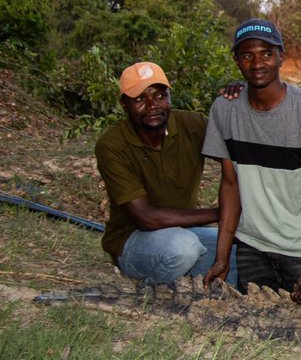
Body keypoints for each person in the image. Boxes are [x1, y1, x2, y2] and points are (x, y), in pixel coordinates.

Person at [202, 19, 301, 304]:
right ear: (237, 61)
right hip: (252, 245)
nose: (257, 63)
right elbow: (230, 187)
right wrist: (222, 258)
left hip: (300, 250)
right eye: (247, 55)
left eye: (266, 53)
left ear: (281, 57)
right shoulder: (224, 110)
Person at [95, 61, 235, 286]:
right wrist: (224, 212)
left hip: (183, 232)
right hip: (133, 240)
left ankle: (185, 280)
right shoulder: (112, 144)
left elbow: (239, 155)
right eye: (140, 99)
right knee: (183, 248)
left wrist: (243, 101)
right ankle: (149, 294)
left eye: (160, 96)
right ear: (124, 104)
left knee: (241, 250)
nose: (152, 106)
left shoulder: (192, 124)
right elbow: (146, 217)